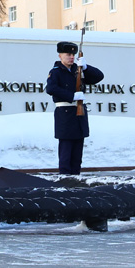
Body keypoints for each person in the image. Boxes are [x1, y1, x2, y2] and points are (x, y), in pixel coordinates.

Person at [44, 41, 105, 175]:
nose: (71, 57)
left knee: (77, 156)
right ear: (60, 55)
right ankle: (65, 182)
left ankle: (76, 180)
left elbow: (99, 76)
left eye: (73, 54)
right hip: (65, 114)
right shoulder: (56, 72)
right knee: (66, 154)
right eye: (68, 54)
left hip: (79, 114)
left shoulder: (78, 70)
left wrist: (86, 67)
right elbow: (51, 88)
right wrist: (71, 96)